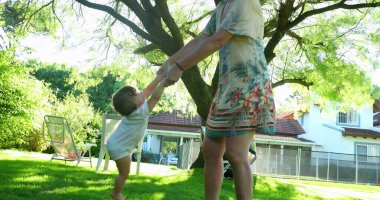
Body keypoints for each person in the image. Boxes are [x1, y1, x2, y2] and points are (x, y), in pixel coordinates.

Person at [162, 0, 276, 199]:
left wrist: (180, 67)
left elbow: (218, 40)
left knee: (235, 153)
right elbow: (202, 38)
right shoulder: (223, 6)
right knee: (211, 149)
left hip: (249, 85)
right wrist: (170, 61)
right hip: (228, 87)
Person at [107, 71, 166, 200]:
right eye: (139, 93)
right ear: (137, 103)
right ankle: (116, 193)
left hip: (116, 145)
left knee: (123, 172)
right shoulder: (141, 113)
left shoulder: (135, 108)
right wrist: (163, 84)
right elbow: (155, 97)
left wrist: (159, 78)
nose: (142, 93)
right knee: (124, 173)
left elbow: (148, 90)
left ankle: (116, 192)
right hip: (120, 149)